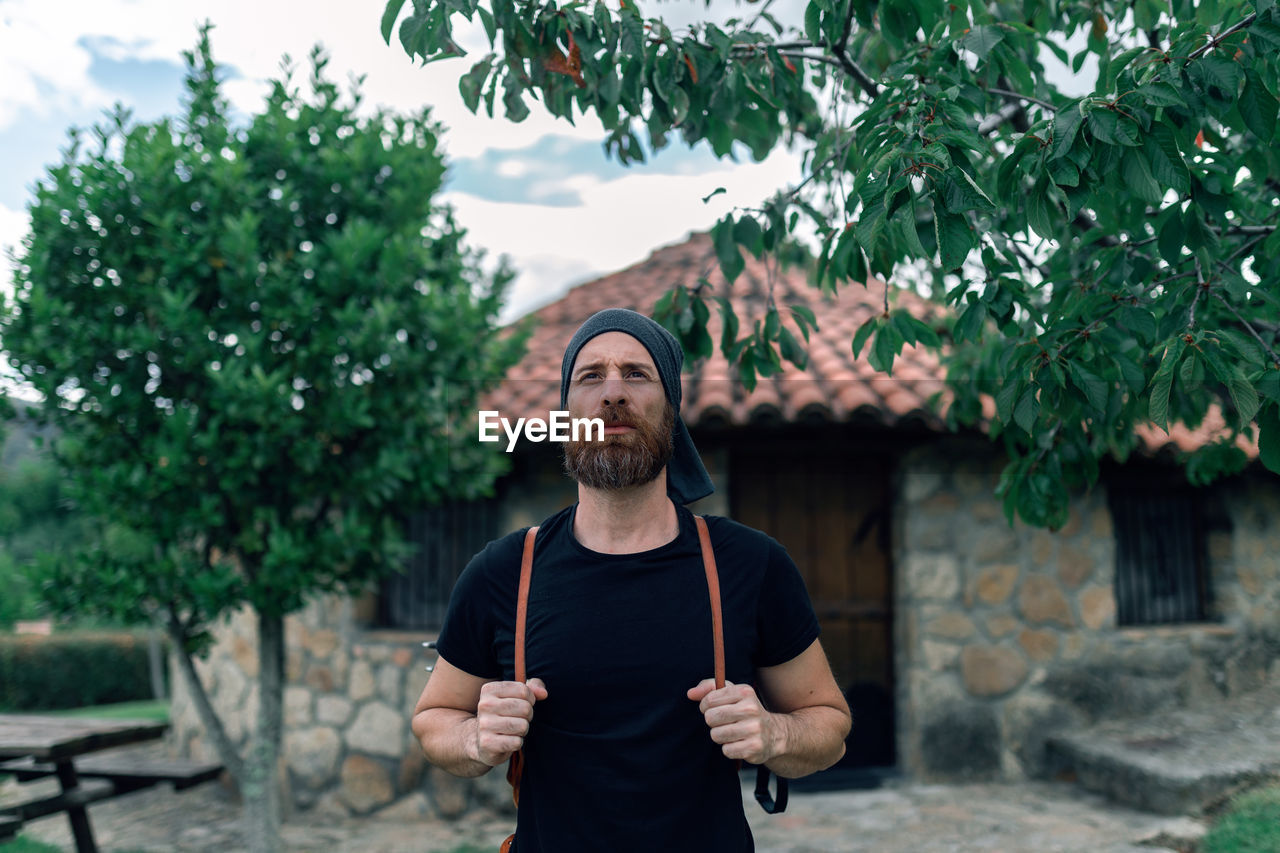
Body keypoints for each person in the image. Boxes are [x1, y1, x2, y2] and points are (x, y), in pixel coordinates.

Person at [411, 308, 851, 851]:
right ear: (567, 409)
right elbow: (434, 720)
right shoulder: (502, 572)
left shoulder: (750, 564)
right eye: (590, 376)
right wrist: (475, 738)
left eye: (637, 375)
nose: (612, 392)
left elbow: (828, 726)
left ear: (671, 408)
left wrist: (776, 733)